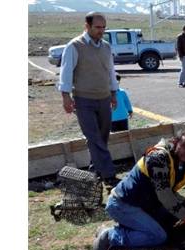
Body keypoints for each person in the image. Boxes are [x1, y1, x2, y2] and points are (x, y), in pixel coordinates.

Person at [93, 130, 185, 250]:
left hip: (144, 205)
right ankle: (110, 235)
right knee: (158, 236)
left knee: (174, 215)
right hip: (122, 204)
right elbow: (165, 196)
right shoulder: (158, 158)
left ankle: (132, 226)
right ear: (175, 142)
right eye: (184, 146)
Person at [58, 12, 119, 190]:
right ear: (87, 26)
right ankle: (109, 175)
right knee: (93, 137)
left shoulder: (106, 47)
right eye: (97, 27)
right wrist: (65, 96)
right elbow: (66, 72)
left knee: (102, 137)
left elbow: (110, 71)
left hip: (104, 98)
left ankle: (95, 170)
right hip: (84, 100)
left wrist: (114, 93)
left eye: (103, 27)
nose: (101, 31)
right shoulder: (75, 46)